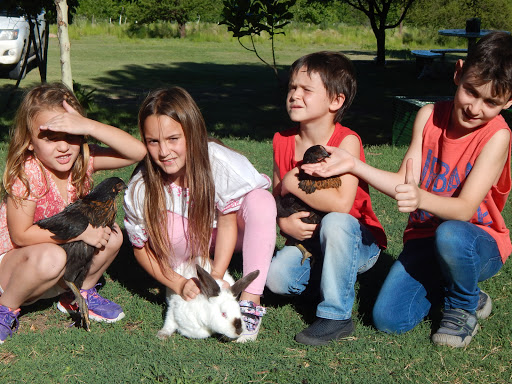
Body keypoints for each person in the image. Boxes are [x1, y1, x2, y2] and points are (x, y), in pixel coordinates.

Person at [301, 32, 512, 348]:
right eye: (471, 91)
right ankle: (453, 283)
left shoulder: (498, 136)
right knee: (389, 319)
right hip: (426, 238)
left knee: (451, 234)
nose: (476, 107)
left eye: (491, 102)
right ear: (458, 73)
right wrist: (353, 164)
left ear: (508, 102)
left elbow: (466, 209)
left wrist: (422, 197)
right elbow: (404, 181)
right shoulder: (427, 117)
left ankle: (464, 305)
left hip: (476, 243)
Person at [123, 87, 276, 342]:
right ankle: (186, 278)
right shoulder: (142, 187)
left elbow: (228, 224)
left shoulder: (218, 162)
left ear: (192, 134)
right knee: (168, 227)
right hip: (183, 249)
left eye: (173, 139)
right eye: (153, 141)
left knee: (261, 201)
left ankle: (250, 299)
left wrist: (216, 276)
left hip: (222, 235)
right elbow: (140, 249)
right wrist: (177, 283)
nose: (164, 151)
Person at [0, 82, 147, 343]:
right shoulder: (28, 174)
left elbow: (136, 152)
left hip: (52, 268)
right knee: (53, 255)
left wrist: (89, 125)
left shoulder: (82, 162)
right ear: (30, 142)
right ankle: (5, 308)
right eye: (50, 137)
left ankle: (77, 295)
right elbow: (21, 236)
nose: (63, 146)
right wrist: (81, 233)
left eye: (71, 134)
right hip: (14, 267)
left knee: (112, 236)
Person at [265, 51, 387, 346]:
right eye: (292, 87)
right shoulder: (282, 140)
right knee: (276, 279)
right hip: (307, 243)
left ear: (336, 101)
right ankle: (330, 281)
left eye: (307, 90)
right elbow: (276, 196)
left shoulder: (346, 141)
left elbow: (342, 205)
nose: (295, 95)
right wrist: (285, 225)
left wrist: (295, 181)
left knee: (335, 222)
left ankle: (336, 317)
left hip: (356, 242)